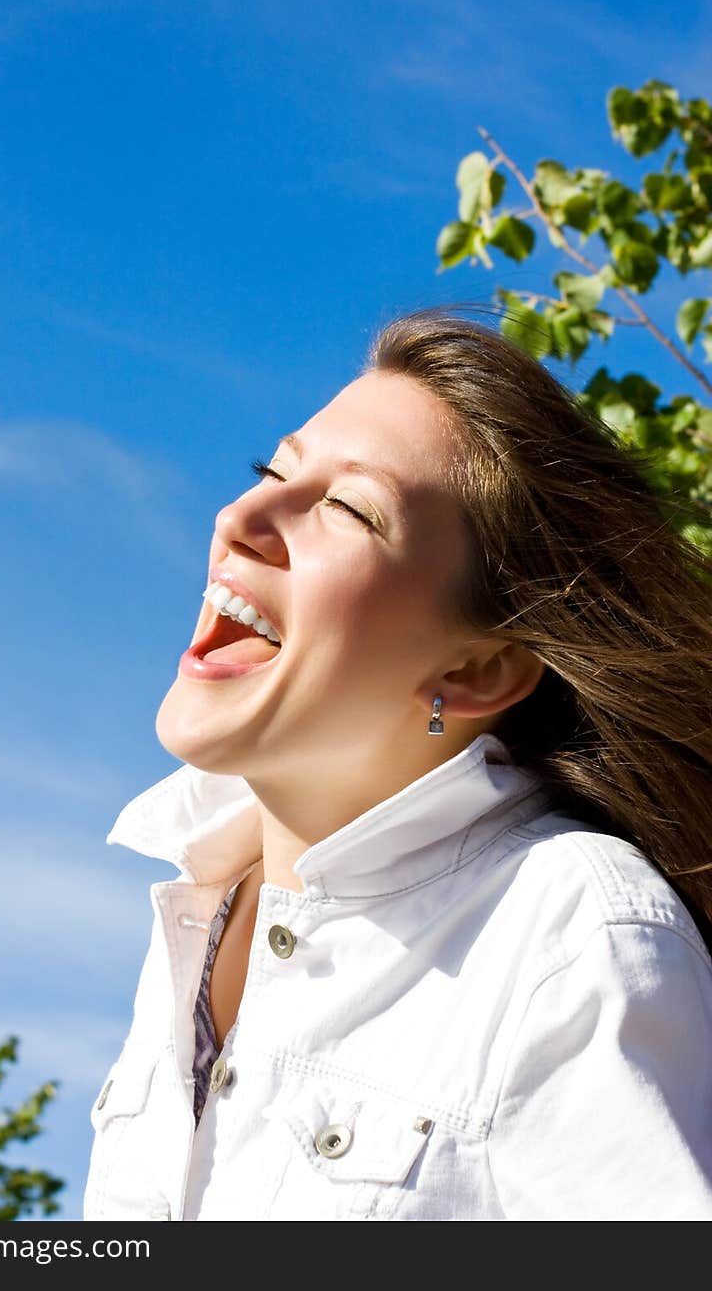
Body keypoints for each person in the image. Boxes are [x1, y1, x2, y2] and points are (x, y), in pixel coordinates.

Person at [83, 308, 712, 1221]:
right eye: (273, 471)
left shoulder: (566, 932)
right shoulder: (194, 916)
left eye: (345, 509)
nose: (241, 517)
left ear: (474, 670)